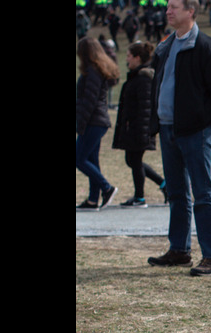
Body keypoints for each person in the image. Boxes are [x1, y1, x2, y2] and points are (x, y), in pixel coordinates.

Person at [146, 0, 211, 276]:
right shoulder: (165, 46)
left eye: (174, 7)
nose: (168, 11)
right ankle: (180, 250)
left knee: (202, 192)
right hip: (168, 129)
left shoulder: (205, 47)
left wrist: (206, 122)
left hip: (195, 132)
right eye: (168, 7)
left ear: (191, 11)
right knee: (176, 193)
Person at [113, 41, 168, 208]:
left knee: (134, 160)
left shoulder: (144, 79)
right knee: (132, 160)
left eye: (129, 56)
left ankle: (140, 197)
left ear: (137, 58)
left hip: (139, 129)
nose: (126, 60)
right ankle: (164, 185)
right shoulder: (136, 76)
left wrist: (143, 130)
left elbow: (146, 107)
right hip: (134, 128)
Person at [76, 36, 121, 211]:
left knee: (79, 158)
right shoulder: (98, 69)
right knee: (91, 160)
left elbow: (89, 100)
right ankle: (93, 199)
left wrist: (80, 124)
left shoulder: (93, 71)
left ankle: (107, 188)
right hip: (97, 121)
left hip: (93, 121)